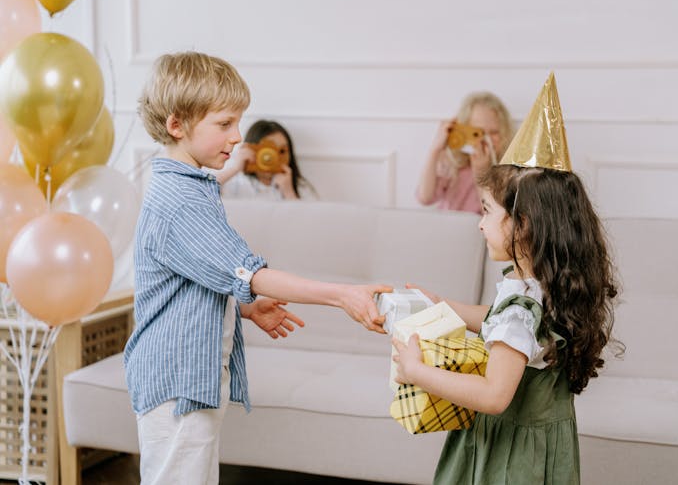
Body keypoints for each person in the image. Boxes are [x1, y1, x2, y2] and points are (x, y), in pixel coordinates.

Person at [125, 51, 390, 485]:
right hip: (177, 382)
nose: (237, 136)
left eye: (237, 122)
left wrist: (242, 309)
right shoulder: (181, 202)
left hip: (189, 376)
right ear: (177, 125)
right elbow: (251, 272)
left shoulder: (192, 186)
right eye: (225, 123)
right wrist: (341, 295)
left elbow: (194, 278)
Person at [393, 74, 622, 484]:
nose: (479, 224)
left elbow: (494, 396)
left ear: (523, 225)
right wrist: (441, 307)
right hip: (541, 448)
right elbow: (498, 320)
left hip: (511, 456)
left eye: (486, 211)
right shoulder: (544, 286)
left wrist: (416, 371)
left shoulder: (521, 312)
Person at [415, 91, 513, 215]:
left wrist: (481, 171)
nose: (486, 140)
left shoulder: (507, 173)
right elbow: (425, 198)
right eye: (478, 132)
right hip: (450, 228)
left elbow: (493, 215)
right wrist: (435, 150)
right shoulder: (453, 163)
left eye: (494, 132)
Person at [217, 120, 317, 200]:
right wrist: (235, 168)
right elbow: (203, 189)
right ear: (252, 149)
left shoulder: (299, 187)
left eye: (281, 151)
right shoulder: (236, 184)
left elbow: (307, 221)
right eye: (267, 151)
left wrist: (289, 192)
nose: (271, 157)